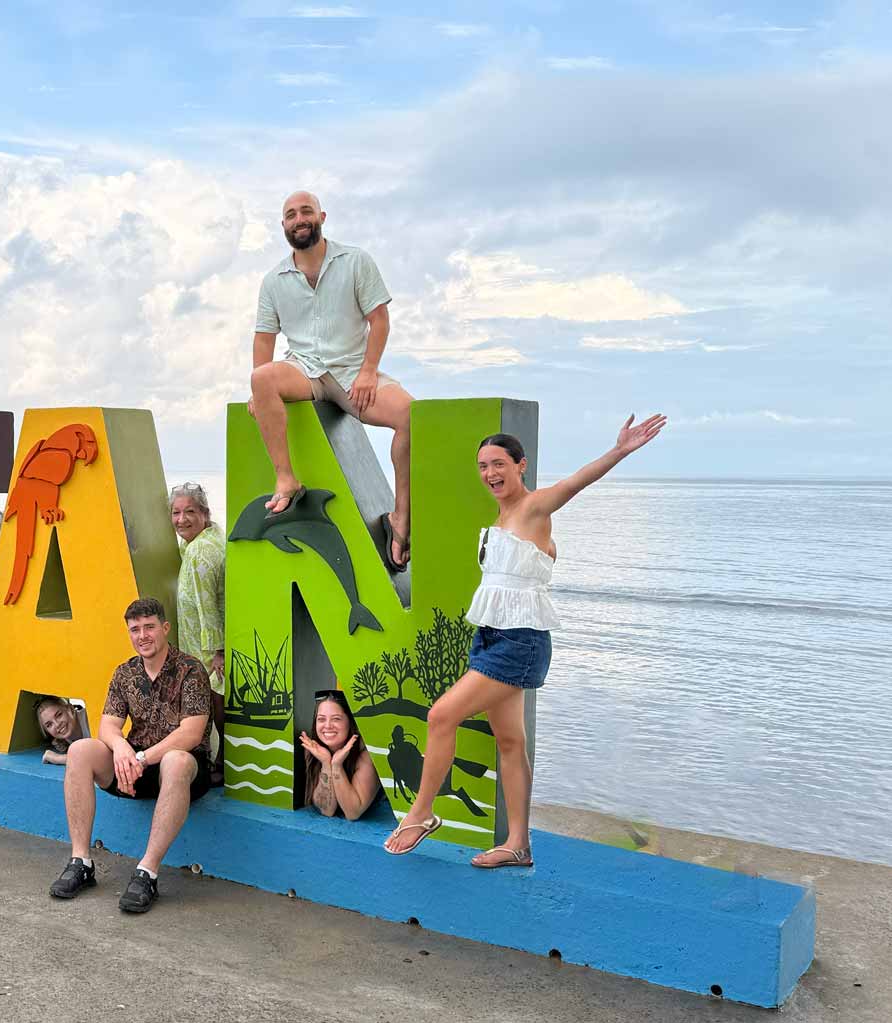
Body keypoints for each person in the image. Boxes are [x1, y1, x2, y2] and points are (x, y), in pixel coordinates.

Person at [383, 414, 667, 866]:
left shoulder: (535, 508)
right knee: (510, 743)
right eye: (482, 466)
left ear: (521, 465)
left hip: (520, 641)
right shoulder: (501, 519)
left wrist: (619, 451)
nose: (490, 474)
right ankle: (518, 845)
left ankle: (421, 814)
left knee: (441, 716)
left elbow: (576, 482)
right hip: (491, 637)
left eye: (499, 464)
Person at [249, 191, 414, 572]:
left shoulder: (355, 260)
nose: (299, 219)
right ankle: (286, 478)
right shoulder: (273, 280)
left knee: (409, 415)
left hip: (354, 373)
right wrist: (257, 392)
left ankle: (400, 517)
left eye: (306, 211)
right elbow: (263, 338)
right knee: (261, 378)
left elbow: (380, 320)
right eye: (291, 215)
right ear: (284, 226)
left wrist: (370, 370)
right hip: (304, 370)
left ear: (321, 216)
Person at [48, 597, 214, 914]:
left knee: (176, 759)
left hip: (183, 771)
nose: (142, 636)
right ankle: (80, 861)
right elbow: (108, 726)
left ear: (165, 628)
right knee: (81, 749)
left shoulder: (190, 670)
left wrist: (141, 758)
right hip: (134, 766)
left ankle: (147, 872)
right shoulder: (125, 673)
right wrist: (123, 749)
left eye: (149, 627)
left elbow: (190, 734)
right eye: (135, 629)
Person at [171, 482, 226, 778]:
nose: (182, 519)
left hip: (205, 648)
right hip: (201, 644)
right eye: (176, 513)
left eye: (190, 511)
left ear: (204, 512)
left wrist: (218, 651)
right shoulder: (210, 537)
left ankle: (219, 765)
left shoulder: (199, 553)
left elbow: (207, 606)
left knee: (214, 706)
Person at [299, 692, 383, 820]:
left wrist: (337, 766)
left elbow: (353, 813)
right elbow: (326, 810)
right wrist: (326, 763)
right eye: (321, 719)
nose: (327, 726)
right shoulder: (314, 750)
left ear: (350, 722)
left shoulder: (366, 755)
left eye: (336, 719)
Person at [35, 696, 87, 766]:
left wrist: (57, 758)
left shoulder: (89, 718)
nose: (57, 724)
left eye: (59, 715)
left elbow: (94, 757)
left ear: (70, 709)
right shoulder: (64, 739)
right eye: (49, 725)